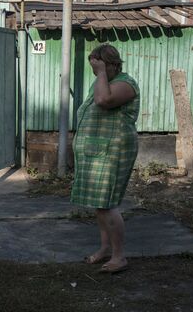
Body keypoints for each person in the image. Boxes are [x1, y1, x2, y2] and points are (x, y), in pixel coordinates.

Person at [70, 44, 140, 274]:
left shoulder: (126, 83)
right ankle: (104, 249)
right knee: (100, 205)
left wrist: (100, 74)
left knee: (108, 204)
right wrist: (100, 74)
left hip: (113, 152)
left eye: (99, 66)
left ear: (112, 64)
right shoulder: (102, 81)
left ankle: (119, 256)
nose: (96, 72)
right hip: (98, 152)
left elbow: (104, 101)